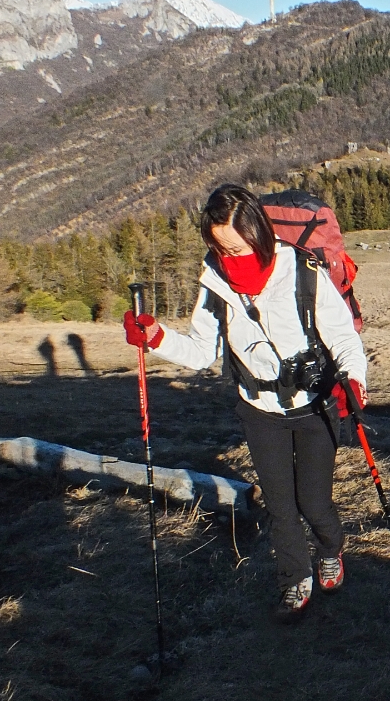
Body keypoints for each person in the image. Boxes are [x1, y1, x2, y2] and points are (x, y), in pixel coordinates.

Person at [123, 184, 367, 620]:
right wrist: (156, 337)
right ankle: (294, 579)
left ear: (259, 233)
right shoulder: (214, 282)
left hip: (315, 408)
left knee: (313, 502)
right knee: (280, 505)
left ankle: (331, 550)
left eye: (237, 247)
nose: (230, 259)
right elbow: (202, 352)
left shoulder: (303, 271)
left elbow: (343, 336)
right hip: (259, 411)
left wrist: (353, 380)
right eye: (219, 247)